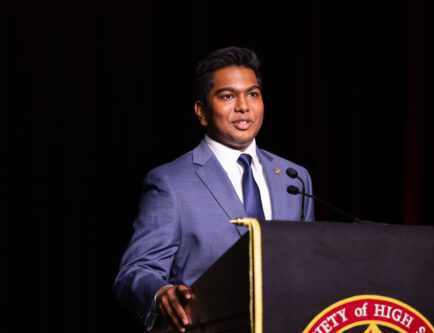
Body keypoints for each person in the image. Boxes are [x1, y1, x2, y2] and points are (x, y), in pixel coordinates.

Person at [113, 46, 315, 332]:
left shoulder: (295, 178)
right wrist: (161, 294)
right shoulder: (170, 182)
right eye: (228, 96)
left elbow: (307, 266)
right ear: (202, 111)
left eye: (253, 94)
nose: (244, 106)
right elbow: (134, 272)